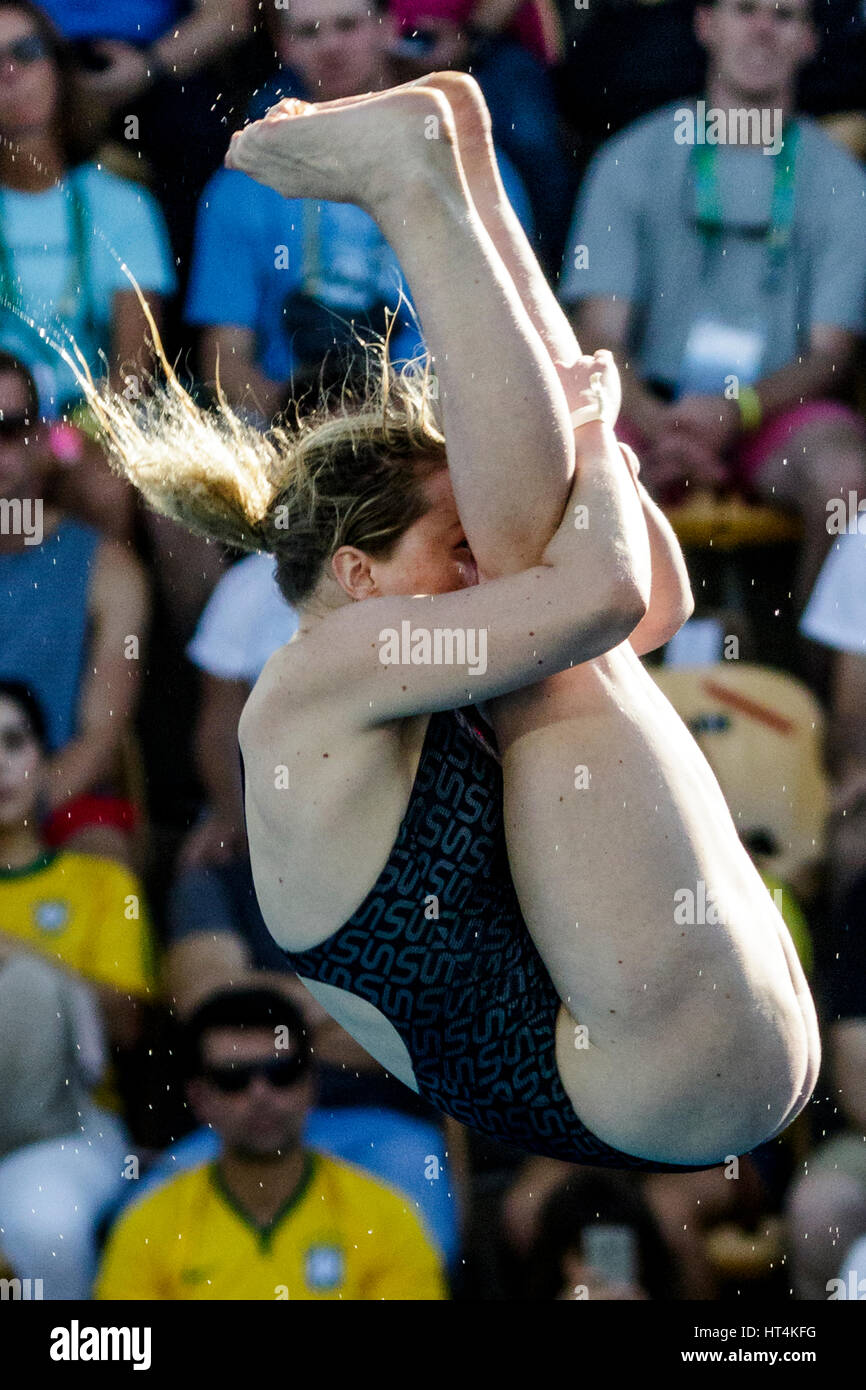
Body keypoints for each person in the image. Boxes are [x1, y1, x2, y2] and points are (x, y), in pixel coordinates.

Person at [66, 72, 820, 1174]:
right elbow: (609, 592)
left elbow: (646, 602)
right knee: (552, 600)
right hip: (634, 1078)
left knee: (554, 602)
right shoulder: (322, 671)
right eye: (448, 542)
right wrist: (594, 432)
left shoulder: (411, 654)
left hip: (677, 1067)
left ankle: (449, 167)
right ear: (357, 571)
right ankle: (420, 184)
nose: (478, 568)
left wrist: (585, 430)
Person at [559, 0, 866, 615]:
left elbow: (832, 358)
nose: (761, 28)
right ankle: (580, 697)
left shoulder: (840, 179)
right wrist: (660, 424)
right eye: (744, 9)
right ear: (705, 25)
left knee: (848, 486)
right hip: (644, 404)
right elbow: (597, 337)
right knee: (566, 476)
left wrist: (734, 412)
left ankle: (808, 703)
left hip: (772, 409)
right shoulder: (633, 155)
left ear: (809, 40)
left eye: (784, 15)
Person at [185, 0, 532, 419]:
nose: (330, 45)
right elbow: (224, 359)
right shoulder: (244, 180)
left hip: (439, 431)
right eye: (309, 32)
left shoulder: (463, 161)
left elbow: (507, 332)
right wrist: (316, 429)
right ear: (284, 45)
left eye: (348, 25)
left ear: (387, 27)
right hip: (294, 437)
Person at [95, 987, 448, 1299]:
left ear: (311, 1084)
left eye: (281, 1073)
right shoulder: (147, 1227)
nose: (260, 1094)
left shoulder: (386, 1218)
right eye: (233, 1078)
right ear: (199, 1099)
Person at [0, 680, 157, 1299]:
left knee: (44, 1228)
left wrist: (19, 957)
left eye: (13, 743)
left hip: (69, 1123)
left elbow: (126, 1023)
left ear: (43, 759)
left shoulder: (98, 883)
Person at [0, 352, 149, 864]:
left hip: (62, 799)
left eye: (9, 429)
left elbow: (102, 735)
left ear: (42, 439)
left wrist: (18, 813)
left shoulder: (110, 571)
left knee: (104, 863)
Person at [0, 1, 177, 420]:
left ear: (61, 69)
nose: (9, 72)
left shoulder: (126, 204)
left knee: (101, 488)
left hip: (91, 435)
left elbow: (133, 373)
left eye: (25, 52)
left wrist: (64, 443)